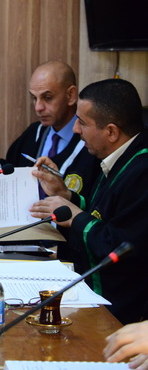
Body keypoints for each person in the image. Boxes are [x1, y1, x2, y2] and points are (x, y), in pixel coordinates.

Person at [29, 78, 148, 324]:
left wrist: (74, 217)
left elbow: (120, 246)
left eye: (82, 122)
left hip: (120, 313)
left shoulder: (143, 171)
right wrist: (66, 195)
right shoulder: (123, 156)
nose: (75, 129)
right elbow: (105, 215)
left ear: (111, 132)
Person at [0, 60, 100, 198]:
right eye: (34, 98)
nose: (38, 107)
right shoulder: (35, 132)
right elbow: (10, 171)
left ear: (71, 95)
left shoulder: (92, 142)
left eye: (48, 98)